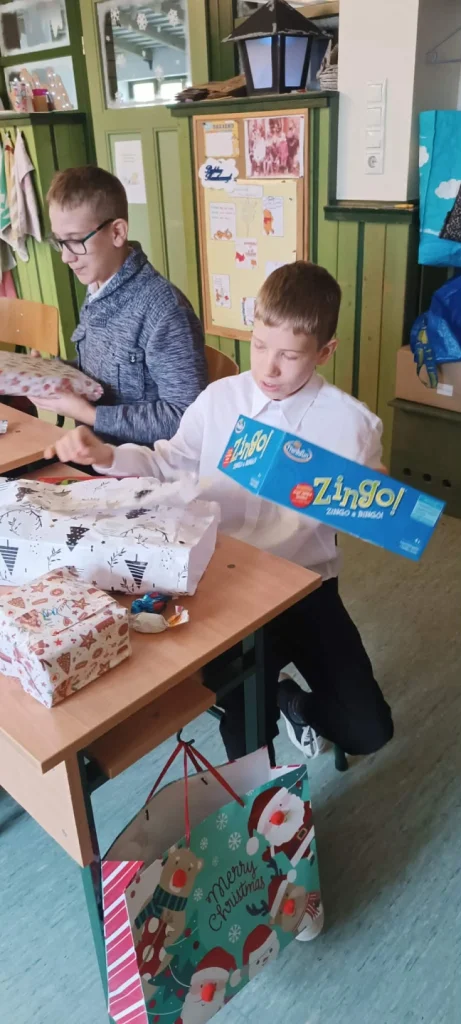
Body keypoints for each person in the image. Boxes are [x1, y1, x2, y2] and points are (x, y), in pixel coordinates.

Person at [45, 261, 394, 764]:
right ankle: (264, 709)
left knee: (369, 730)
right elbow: (167, 465)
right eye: (260, 345)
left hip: (306, 585)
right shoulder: (220, 400)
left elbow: (371, 513)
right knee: (248, 742)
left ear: (324, 352)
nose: (268, 369)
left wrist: (375, 498)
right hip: (227, 581)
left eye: (289, 355)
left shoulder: (351, 425)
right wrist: (107, 455)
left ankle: (290, 702)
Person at [36, 165, 207, 446]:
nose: (66, 257)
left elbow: (185, 418)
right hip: (92, 454)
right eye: (59, 241)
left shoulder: (166, 311)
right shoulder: (97, 286)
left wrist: (90, 415)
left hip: (144, 468)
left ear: (117, 232)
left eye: (75, 241)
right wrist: (52, 373)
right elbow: (101, 377)